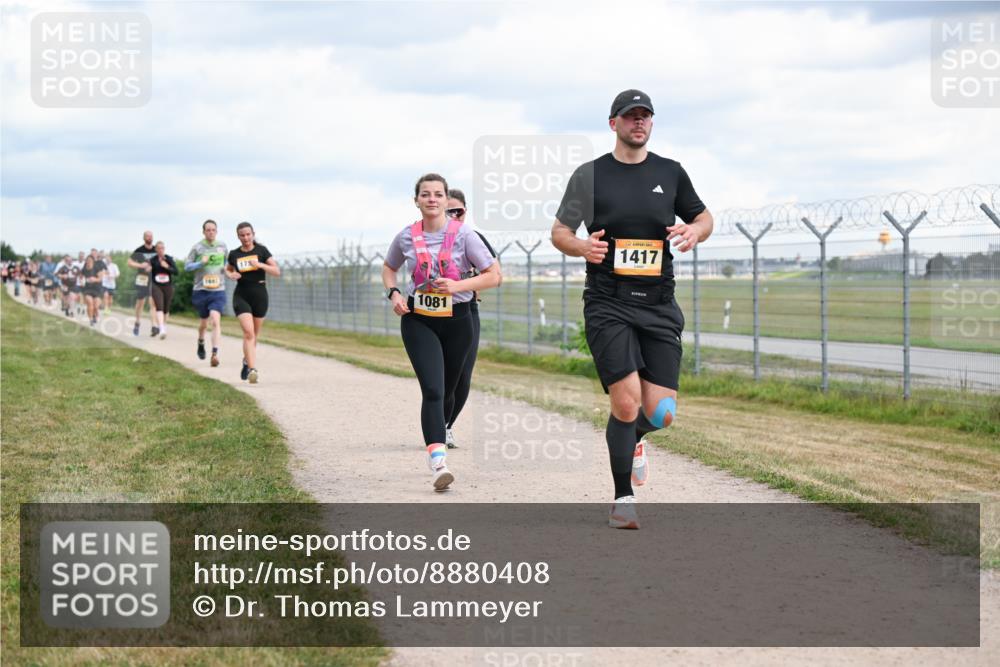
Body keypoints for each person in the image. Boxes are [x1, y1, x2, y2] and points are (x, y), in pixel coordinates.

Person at [550, 90, 714, 529]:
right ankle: (623, 498)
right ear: (613, 124)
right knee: (625, 403)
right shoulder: (590, 176)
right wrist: (581, 246)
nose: (638, 123)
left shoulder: (671, 172)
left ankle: (635, 439)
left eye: (644, 117)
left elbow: (705, 217)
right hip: (608, 302)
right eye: (630, 117)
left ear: (652, 124)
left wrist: (696, 231)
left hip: (659, 302)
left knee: (660, 413)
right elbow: (560, 231)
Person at [382, 173, 501, 491]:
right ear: (416, 200)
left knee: (451, 389)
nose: (432, 199)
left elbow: (494, 275)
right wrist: (393, 293)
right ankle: (438, 461)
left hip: (458, 319)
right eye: (425, 194)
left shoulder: (466, 236)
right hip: (418, 319)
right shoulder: (406, 236)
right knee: (433, 390)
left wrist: (459, 285)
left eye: (438, 194)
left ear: (447, 200)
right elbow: (389, 267)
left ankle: (443, 430)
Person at [441, 188, 501, 449]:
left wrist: (465, 285)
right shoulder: (425, 238)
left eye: (458, 211)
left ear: (465, 211)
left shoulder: (473, 238)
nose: (453, 215)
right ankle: (435, 423)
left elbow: (495, 275)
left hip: (466, 311)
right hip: (432, 312)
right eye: (447, 211)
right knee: (438, 375)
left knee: (462, 375)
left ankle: (446, 426)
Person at [225, 222, 279, 384]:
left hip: (260, 295)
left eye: (248, 234)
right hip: (241, 295)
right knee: (248, 333)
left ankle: (246, 361)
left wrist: (260, 264)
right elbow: (228, 269)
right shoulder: (234, 254)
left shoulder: (261, 251)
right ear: (238, 236)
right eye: (242, 235)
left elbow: (276, 271)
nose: (246, 238)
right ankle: (252, 370)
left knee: (254, 335)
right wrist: (231, 274)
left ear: (253, 234)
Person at [185, 220, 228, 367]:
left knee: (215, 320)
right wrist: (200, 264)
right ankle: (201, 341)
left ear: (217, 231)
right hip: (201, 290)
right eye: (208, 230)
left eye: (213, 230)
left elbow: (227, 264)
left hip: (218, 290)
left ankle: (215, 353)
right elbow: (187, 267)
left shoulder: (222, 246)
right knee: (204, 323)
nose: (211, 232)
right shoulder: (197, 247)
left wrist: (229, 272)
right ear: (203, 232)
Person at [127, 231, 158, 336]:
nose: (149, 238)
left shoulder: (156, 250)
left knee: (152, 302)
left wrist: (153, 267)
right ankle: (137, 322)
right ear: (144, 238)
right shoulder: (139, 250)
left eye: (151, 236)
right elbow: (129, 262)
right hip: (142, 278)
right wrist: (141, 266)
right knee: (140, 303)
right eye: (147, 236)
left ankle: (153, 326)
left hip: (153, 279)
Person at [148, 241, 178, 339]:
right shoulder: (152, 260)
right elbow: (148, 271)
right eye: (159, 248)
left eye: (162, 248)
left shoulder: (169, 259)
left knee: (166, 309)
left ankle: (163, 326)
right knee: (159, 306)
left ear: (164, 249)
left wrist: (167, 266)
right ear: (156, 249)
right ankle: (161, 328)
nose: (161, 250)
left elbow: (176, 272)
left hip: (167, 286)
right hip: (156, 286)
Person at [80, 254, 106, 326]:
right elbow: (81, 276)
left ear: (93, 261)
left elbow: (100, 279)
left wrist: (95, 279)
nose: (88, 262)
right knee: (90, 303)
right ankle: (91, 320)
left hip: (97, 289)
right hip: (88, 289)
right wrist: (82, 281)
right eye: (87, 260)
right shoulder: (84, 268)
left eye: (90, 260)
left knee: (96, 306)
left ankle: (95, 315)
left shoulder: (96, 267)